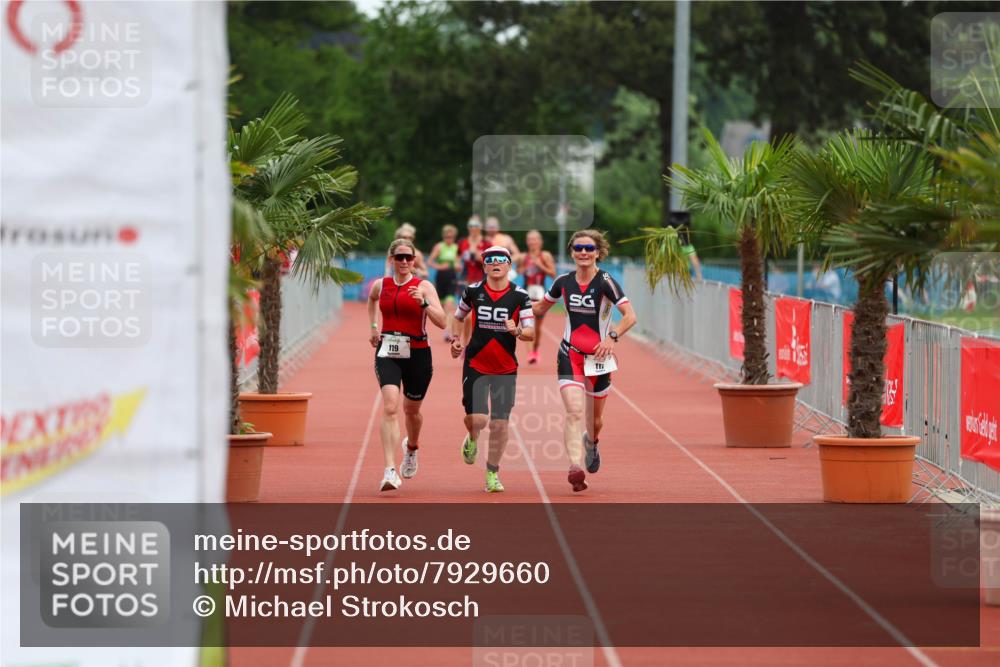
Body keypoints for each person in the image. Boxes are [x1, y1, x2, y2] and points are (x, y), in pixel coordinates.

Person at [531, 230, 637, 492]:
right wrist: (511, 303)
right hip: (570, 355)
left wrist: (612, 337)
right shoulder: (563, 282)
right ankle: (575, 467)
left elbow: (630, 316)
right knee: (574, 412)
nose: (583, 253)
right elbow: (540, 308)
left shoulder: (606, 281)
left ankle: (592, 441)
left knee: (594, 422)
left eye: (589, 248)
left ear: (598, 253)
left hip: (599, 359)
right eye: (578, 248)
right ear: (571, 252)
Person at [450, 246, 535, 492]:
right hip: (476, 363)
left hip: (505, 368)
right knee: (477, 420)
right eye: (490, 260)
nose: (495, 263)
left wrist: (517, 330)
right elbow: (458, 317)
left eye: (501, 259)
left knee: (500, 424)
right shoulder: (473, 291)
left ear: (509, 265)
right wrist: (456, 340)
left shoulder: (520, 296)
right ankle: (472, 437)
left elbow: (530, 332)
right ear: (484, 266)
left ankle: (492, 473)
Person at [368, 238, 447, 491]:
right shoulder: (382, 285)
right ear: (391, 259)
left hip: (418, 354)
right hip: (388, 352)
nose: (404, 261)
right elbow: (372, 299)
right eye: (399, 257)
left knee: (411, 411)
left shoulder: (423, 286)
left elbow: (443, 322)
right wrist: (373, 326)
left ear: (414, 261)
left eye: (408, 257)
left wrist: (423, 303)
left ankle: (411, 448)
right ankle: (390, 470)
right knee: (390, 407)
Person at [517, 229, 557, 364]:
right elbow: (518, 271)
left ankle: (535, 350)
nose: (532, 242)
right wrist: (525, 267)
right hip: (526, 293)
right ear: (527, 242)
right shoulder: (524, 257)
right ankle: (530, 354)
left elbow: (553, 273)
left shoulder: (545, 256)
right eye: (530, 239)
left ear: (540, 242)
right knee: (527, 324)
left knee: (538, 328)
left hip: (540, 293)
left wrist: (540, 265)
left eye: (535, 239)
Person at [428, 224, 462, 342]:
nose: (449, 239)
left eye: (451, 237)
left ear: (454, 237)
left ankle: (447, 332)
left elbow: (458, 264)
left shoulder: (456, 248)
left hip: (452, 277)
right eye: (447, 237)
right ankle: (445, 327)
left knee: (449, 304)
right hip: (441, 278)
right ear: (444, 237)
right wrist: (440, 266)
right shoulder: (439, 247)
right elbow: (430, 262)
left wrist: (457, 267)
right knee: (442, 307)